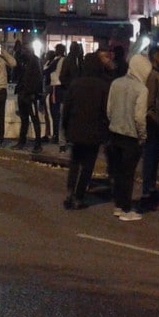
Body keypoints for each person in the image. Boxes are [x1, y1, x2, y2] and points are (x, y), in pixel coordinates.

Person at [62, 53, 110, 210]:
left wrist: (65, 127)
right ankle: (79, 195)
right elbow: (106, 111)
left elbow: (67, 108)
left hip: (76, 129)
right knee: (88, 165)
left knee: (75, 163)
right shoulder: (102, 86)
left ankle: (70, 191)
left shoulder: (75, 84)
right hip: (93, 131)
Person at [107, 54, 151, 221]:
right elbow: (140, 117)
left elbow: (109, 110)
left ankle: (118, 205)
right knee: (128, 173)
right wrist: (143, 136)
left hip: (114, 132)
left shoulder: (116, 83)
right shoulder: (141, 89)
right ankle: (126, 208)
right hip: (131, 136)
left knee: (118, 172)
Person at [141, 46, 159, 208]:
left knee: (154, 157)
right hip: (152, 123)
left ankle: (150, 187)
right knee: (150, 157)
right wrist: (154, 119)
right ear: (155, 57)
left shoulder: (157, 74)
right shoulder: (153, 76)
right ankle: (147, 190)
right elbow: (150, 102)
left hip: (155, 122)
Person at [11, 44, 43, 153]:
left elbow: (38, 78)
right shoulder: (22, 62)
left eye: (25, 50)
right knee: (24, 119)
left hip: (30, 94)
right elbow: (15, 75)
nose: (23, 52)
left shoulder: (35, 61)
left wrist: (34, 92)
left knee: (34, 119)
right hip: (22, 93)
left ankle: (37, 144)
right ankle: (22, 141)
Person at [44, 43, 66, 144]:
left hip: (55, 86)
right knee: (55, 112)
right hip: (57, 87)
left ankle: (54, 135)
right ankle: (55, 134)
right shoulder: (62, 60)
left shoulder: (58, 60)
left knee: (53, 112)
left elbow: (46, 70)